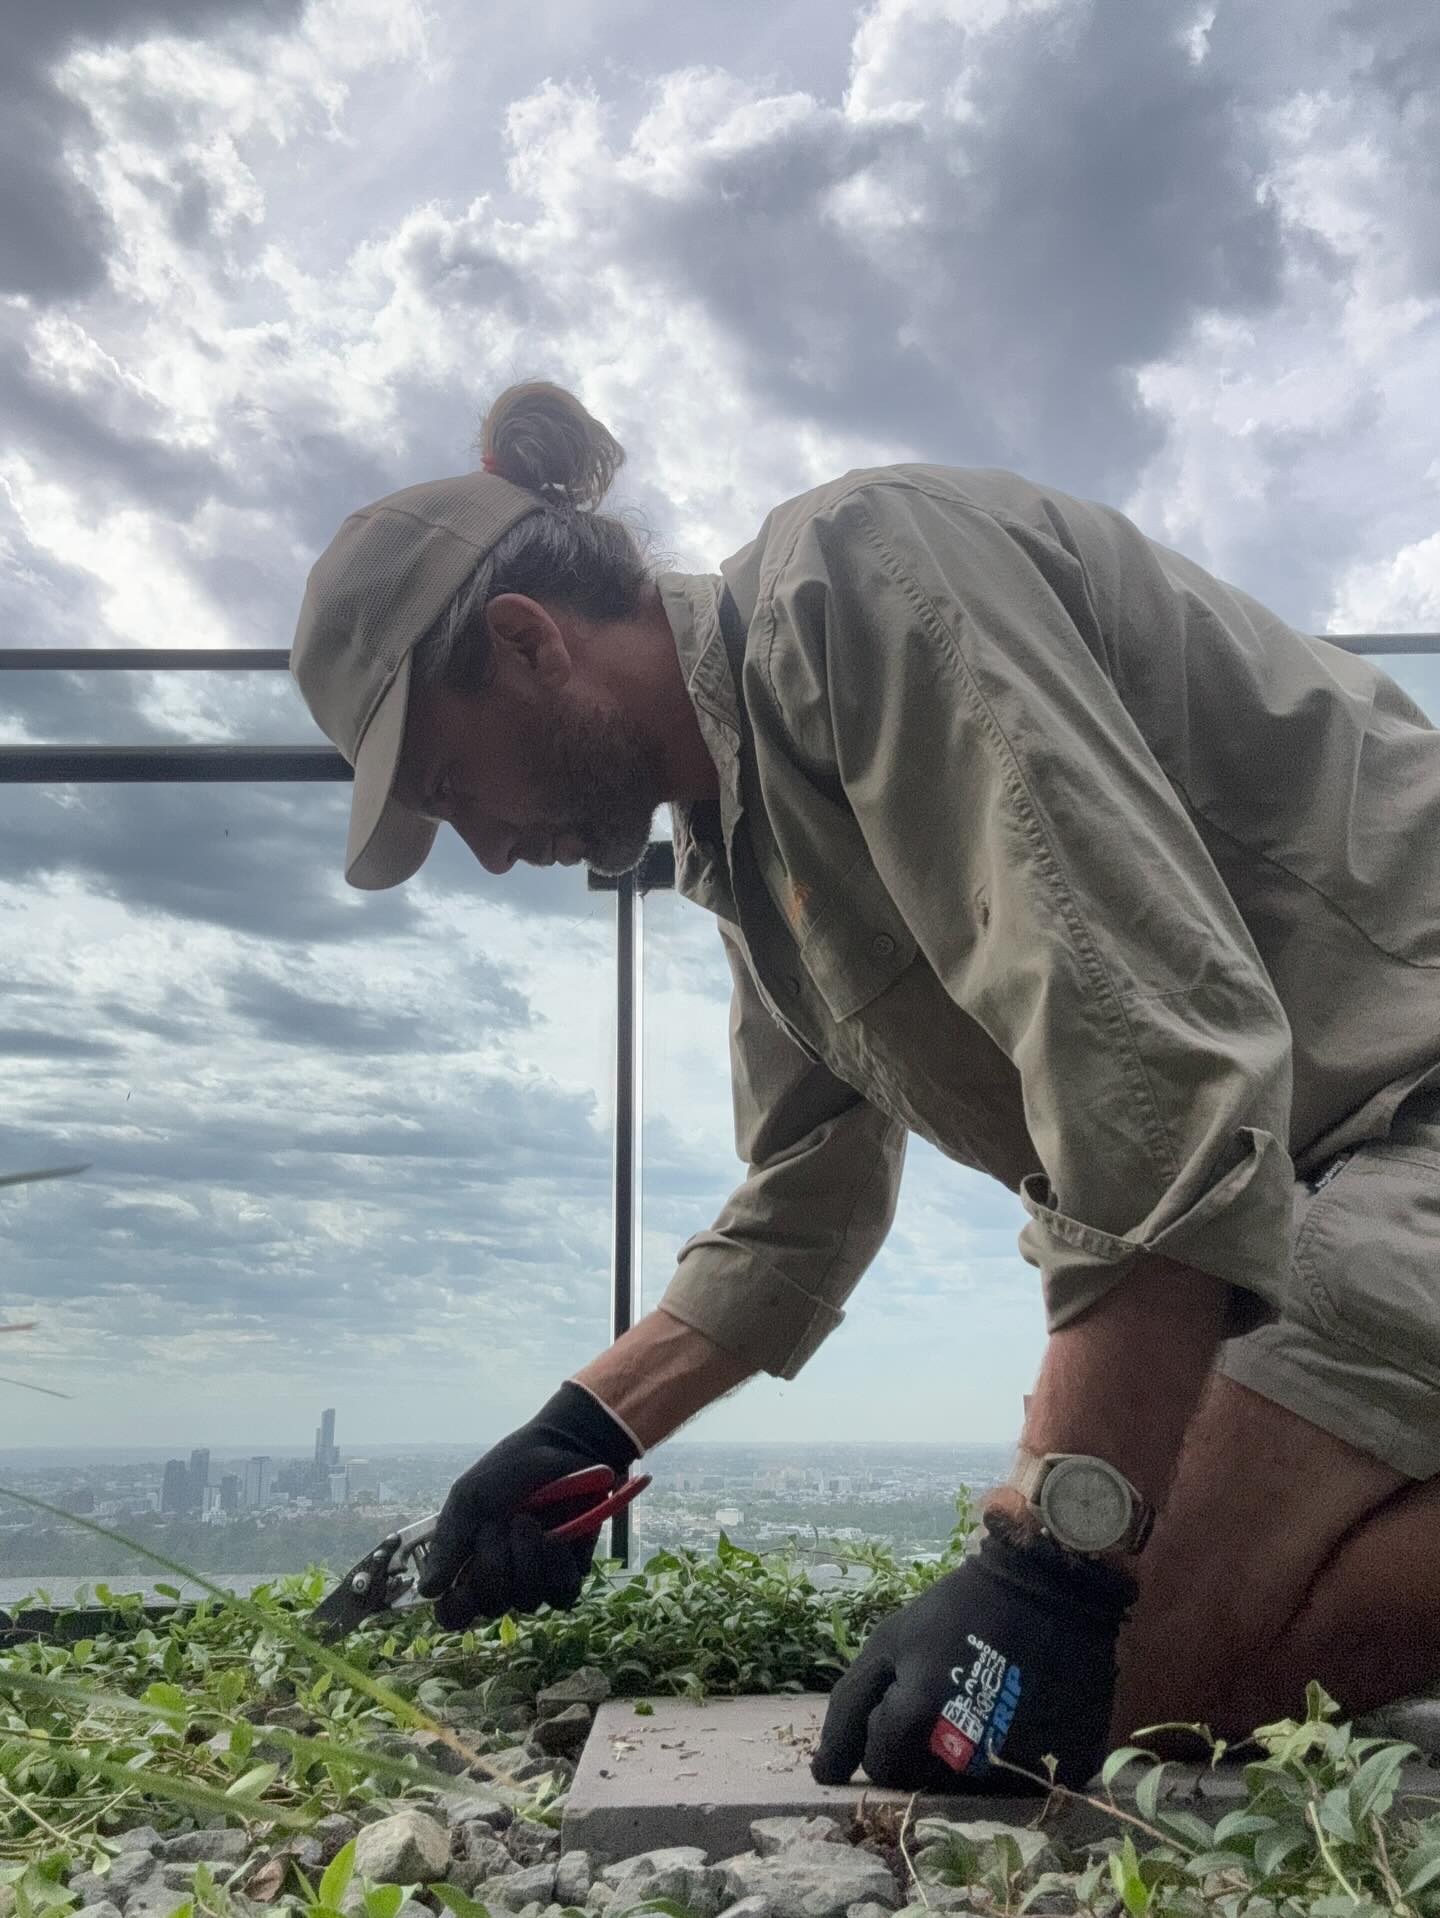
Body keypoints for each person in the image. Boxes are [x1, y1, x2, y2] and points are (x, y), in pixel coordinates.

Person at [290, 380, 1440, 1794]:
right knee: (1120, 1656)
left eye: (451, 783)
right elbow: (800, 1205)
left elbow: (1147, 1059)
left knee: (1118, 1655)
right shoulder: (744, 850)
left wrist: (1052, 1555)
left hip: (1408, 1110)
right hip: (1314, 1181)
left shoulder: (857, 583)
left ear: (527, 644)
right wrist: (576, 1433)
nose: (479, 847)